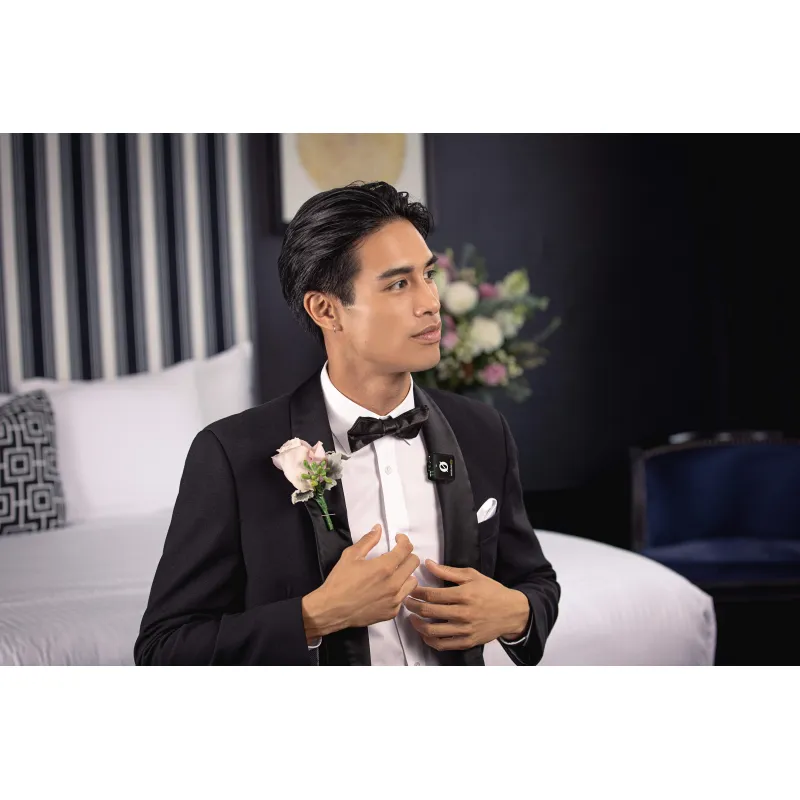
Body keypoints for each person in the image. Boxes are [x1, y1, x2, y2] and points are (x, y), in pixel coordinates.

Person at [134, 181, 560, 666]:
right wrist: (314, 616)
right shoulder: (230, 453)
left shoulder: (482, 430)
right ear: (326, 310)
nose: (431, 302)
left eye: (428, 275)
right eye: (398, 284)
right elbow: (163, 651)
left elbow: (535, 581)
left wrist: (517, 614)